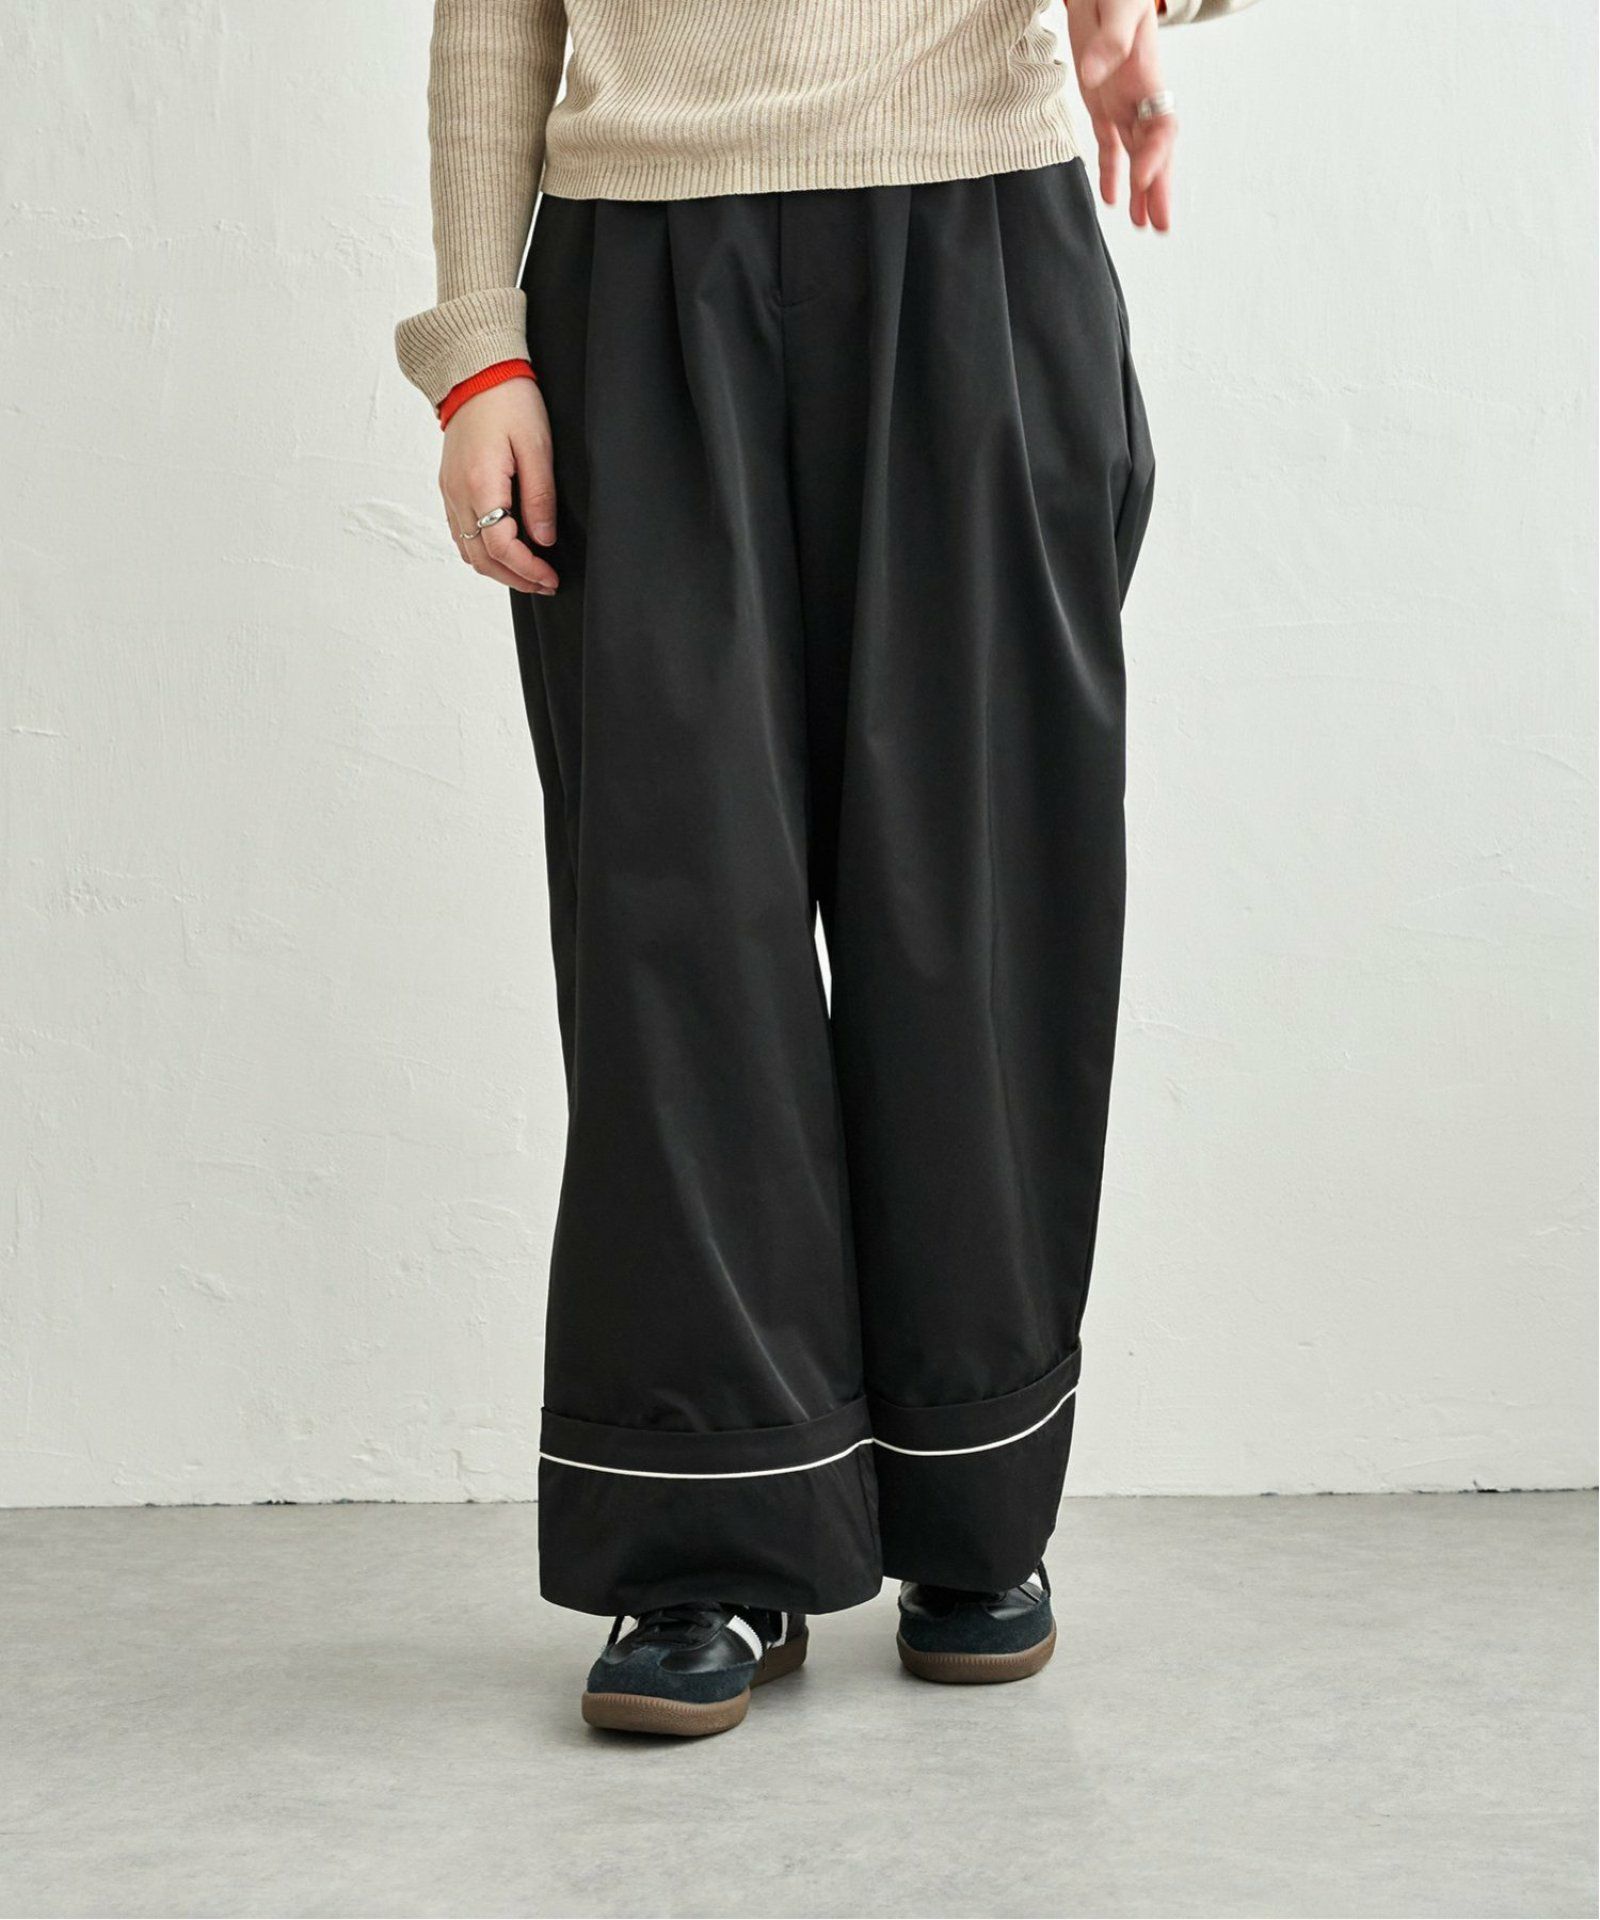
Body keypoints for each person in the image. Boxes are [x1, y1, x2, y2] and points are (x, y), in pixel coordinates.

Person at [396, 0, 1202, 1739]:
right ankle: (710, 1536)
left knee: (976, 897)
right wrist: (478, 345)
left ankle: (973, 1499)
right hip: (637, 265)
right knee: (674, 917)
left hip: (978, 233)